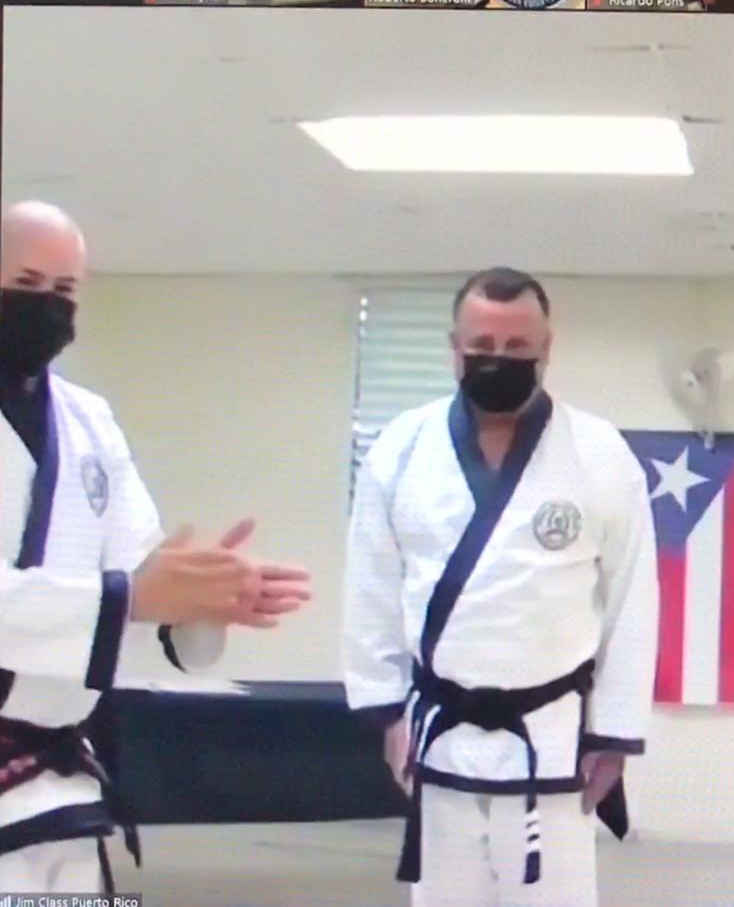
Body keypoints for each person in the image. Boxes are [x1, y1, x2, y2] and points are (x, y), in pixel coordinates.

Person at [0, 201, 312, 893]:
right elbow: (126, 596)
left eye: (65, 289)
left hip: (61, 789)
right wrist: (136, 597)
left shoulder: (89, 420)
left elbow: (140, 574)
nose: (47, 304)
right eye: (26, 283)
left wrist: (205, 598)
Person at [343, 267, 659, 906]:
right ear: (453, 349)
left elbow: (632, 601)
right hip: (440, 737)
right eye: (482, 346)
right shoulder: (402, 448)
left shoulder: (599, 452)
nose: (499, 360)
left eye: (517, 347)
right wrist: (387, 711)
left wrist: (614, 734)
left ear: (547, 349)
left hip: (551, 740)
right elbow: (371, 588)